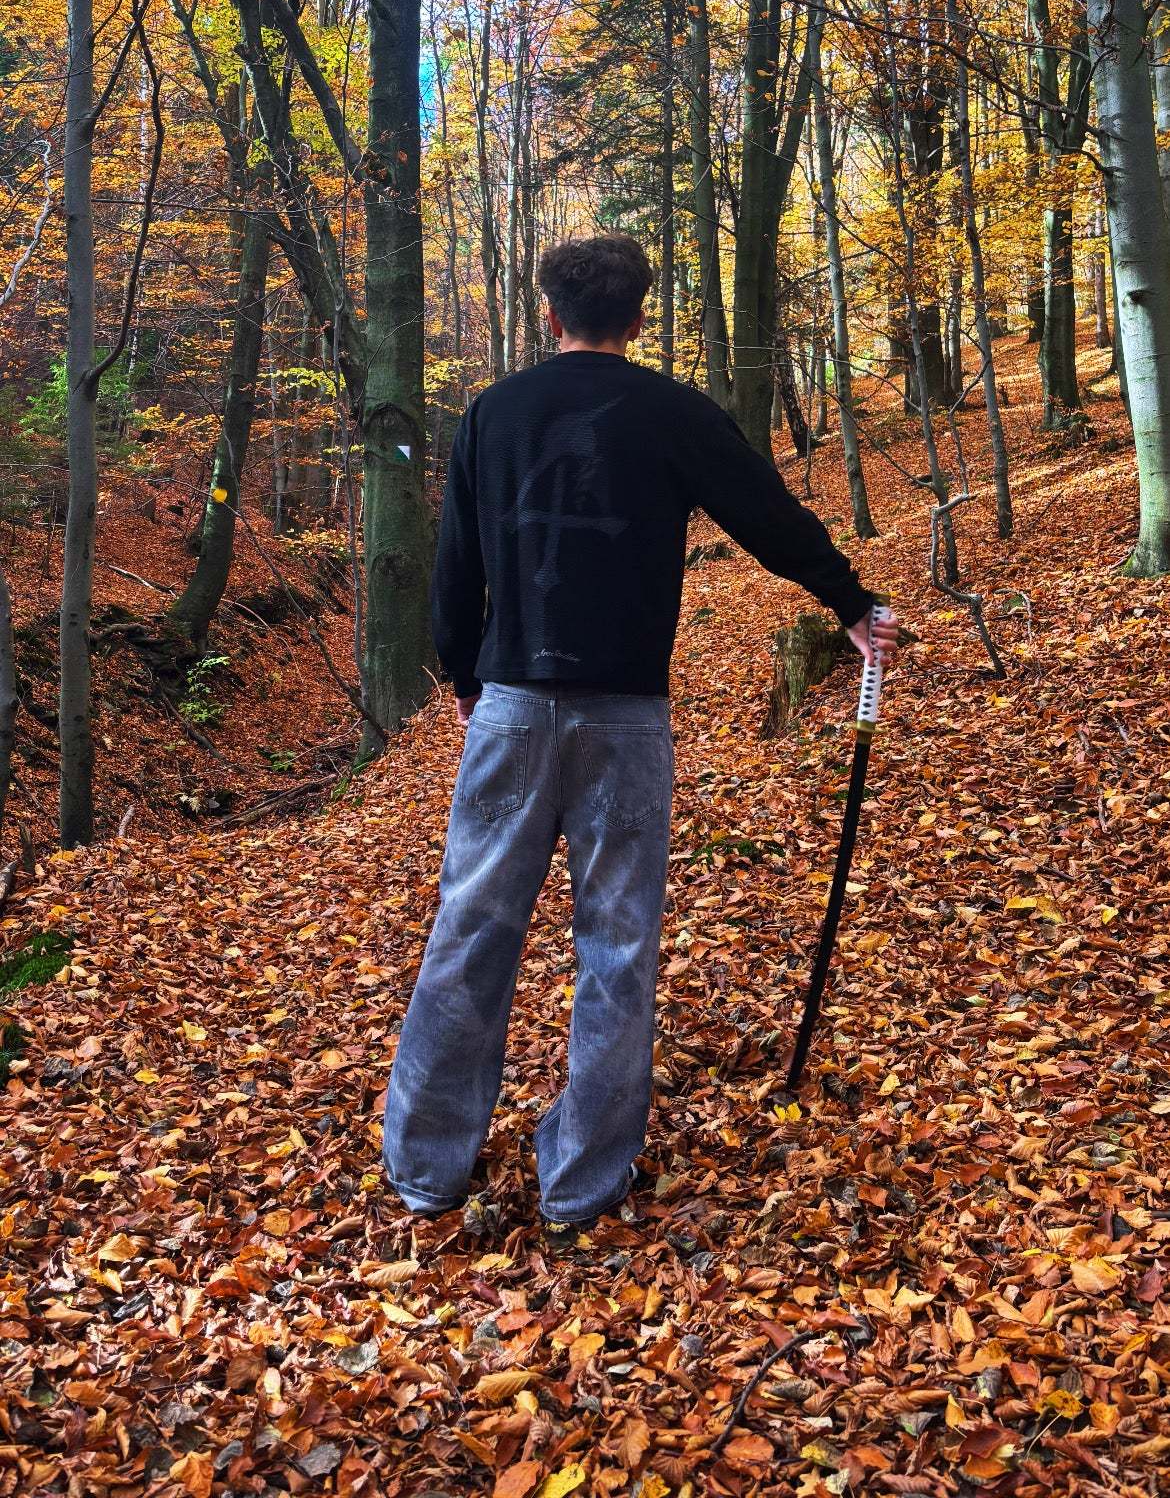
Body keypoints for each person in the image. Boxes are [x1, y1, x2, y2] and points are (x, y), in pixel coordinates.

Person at [382, 233, 898, 1228]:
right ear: (638, 316)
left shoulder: (493, 413)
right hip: (625, 715)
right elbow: (766, 511)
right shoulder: (674, 411)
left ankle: (424, 1167)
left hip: (513, 703)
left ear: (549, 314)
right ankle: (581, 1185)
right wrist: (848, 599)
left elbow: (457, 562)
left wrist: (462, 674)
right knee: (617, 941)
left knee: (472, 926)